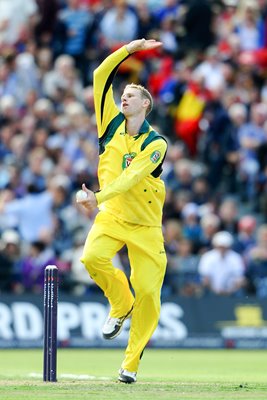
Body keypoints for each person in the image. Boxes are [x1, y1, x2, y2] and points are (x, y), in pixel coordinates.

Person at [77, 38, 168, 384]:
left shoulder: (156, 143)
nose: (124, 96)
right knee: (91, 258)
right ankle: (119, 304)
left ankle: (130, 364)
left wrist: (96, 197)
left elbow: (131, 177)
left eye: (132, 94)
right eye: (123, 93)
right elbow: (102, 75)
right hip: (112, 216)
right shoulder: (109, 123)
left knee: (148, 294)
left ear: (146, 104)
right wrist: (129, 50)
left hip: (146, 227)